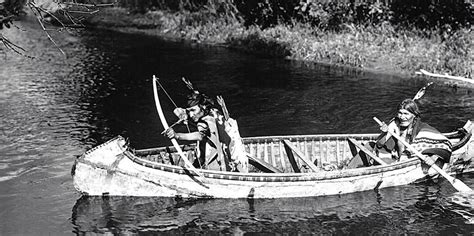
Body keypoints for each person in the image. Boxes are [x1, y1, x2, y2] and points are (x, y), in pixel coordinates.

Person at [375, 99, 452, 175]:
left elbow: (445, 144)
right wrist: (384, 133)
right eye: (400, 113)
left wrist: (433, 157)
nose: (402, 117)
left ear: (414, 115)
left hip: (408, 160)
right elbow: (380, 144)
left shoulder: (422, 128)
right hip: (397, 161)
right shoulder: (395, 124)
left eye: (406, 114)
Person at [163, 92, 231, 171]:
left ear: (203, 107)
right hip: (204, 161)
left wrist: (177, 135)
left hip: (216, 166)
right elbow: (177, 110)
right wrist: (183, 114)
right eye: (189, 111)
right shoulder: (205, 113)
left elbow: (200, 135)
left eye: (193, 110)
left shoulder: (209, 120)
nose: (191, 114)